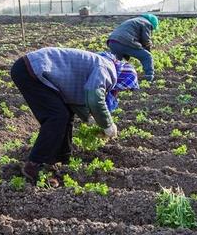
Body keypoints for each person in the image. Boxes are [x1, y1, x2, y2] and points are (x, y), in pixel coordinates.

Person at [10, 47, 139, 182]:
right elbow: (94, 96)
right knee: (57, 117)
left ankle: (61, 160)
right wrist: (107, 124)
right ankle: (34, 166)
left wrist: (89, 118)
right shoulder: (108, 69)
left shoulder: (104, 66)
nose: (119, 91)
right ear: (122, 77)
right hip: (31, 70)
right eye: (123, 88)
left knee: (65, 114)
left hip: (33, 70)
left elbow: (74, 100)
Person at [107, 14, 159, 82]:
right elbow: (146, 41)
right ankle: (149, 77)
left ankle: (112, 79)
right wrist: (147, 51)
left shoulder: (134, 20)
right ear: (152, 24)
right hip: (125, 41)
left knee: (116, 62)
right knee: (147, 56)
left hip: (112, 41)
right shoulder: (146, 23)